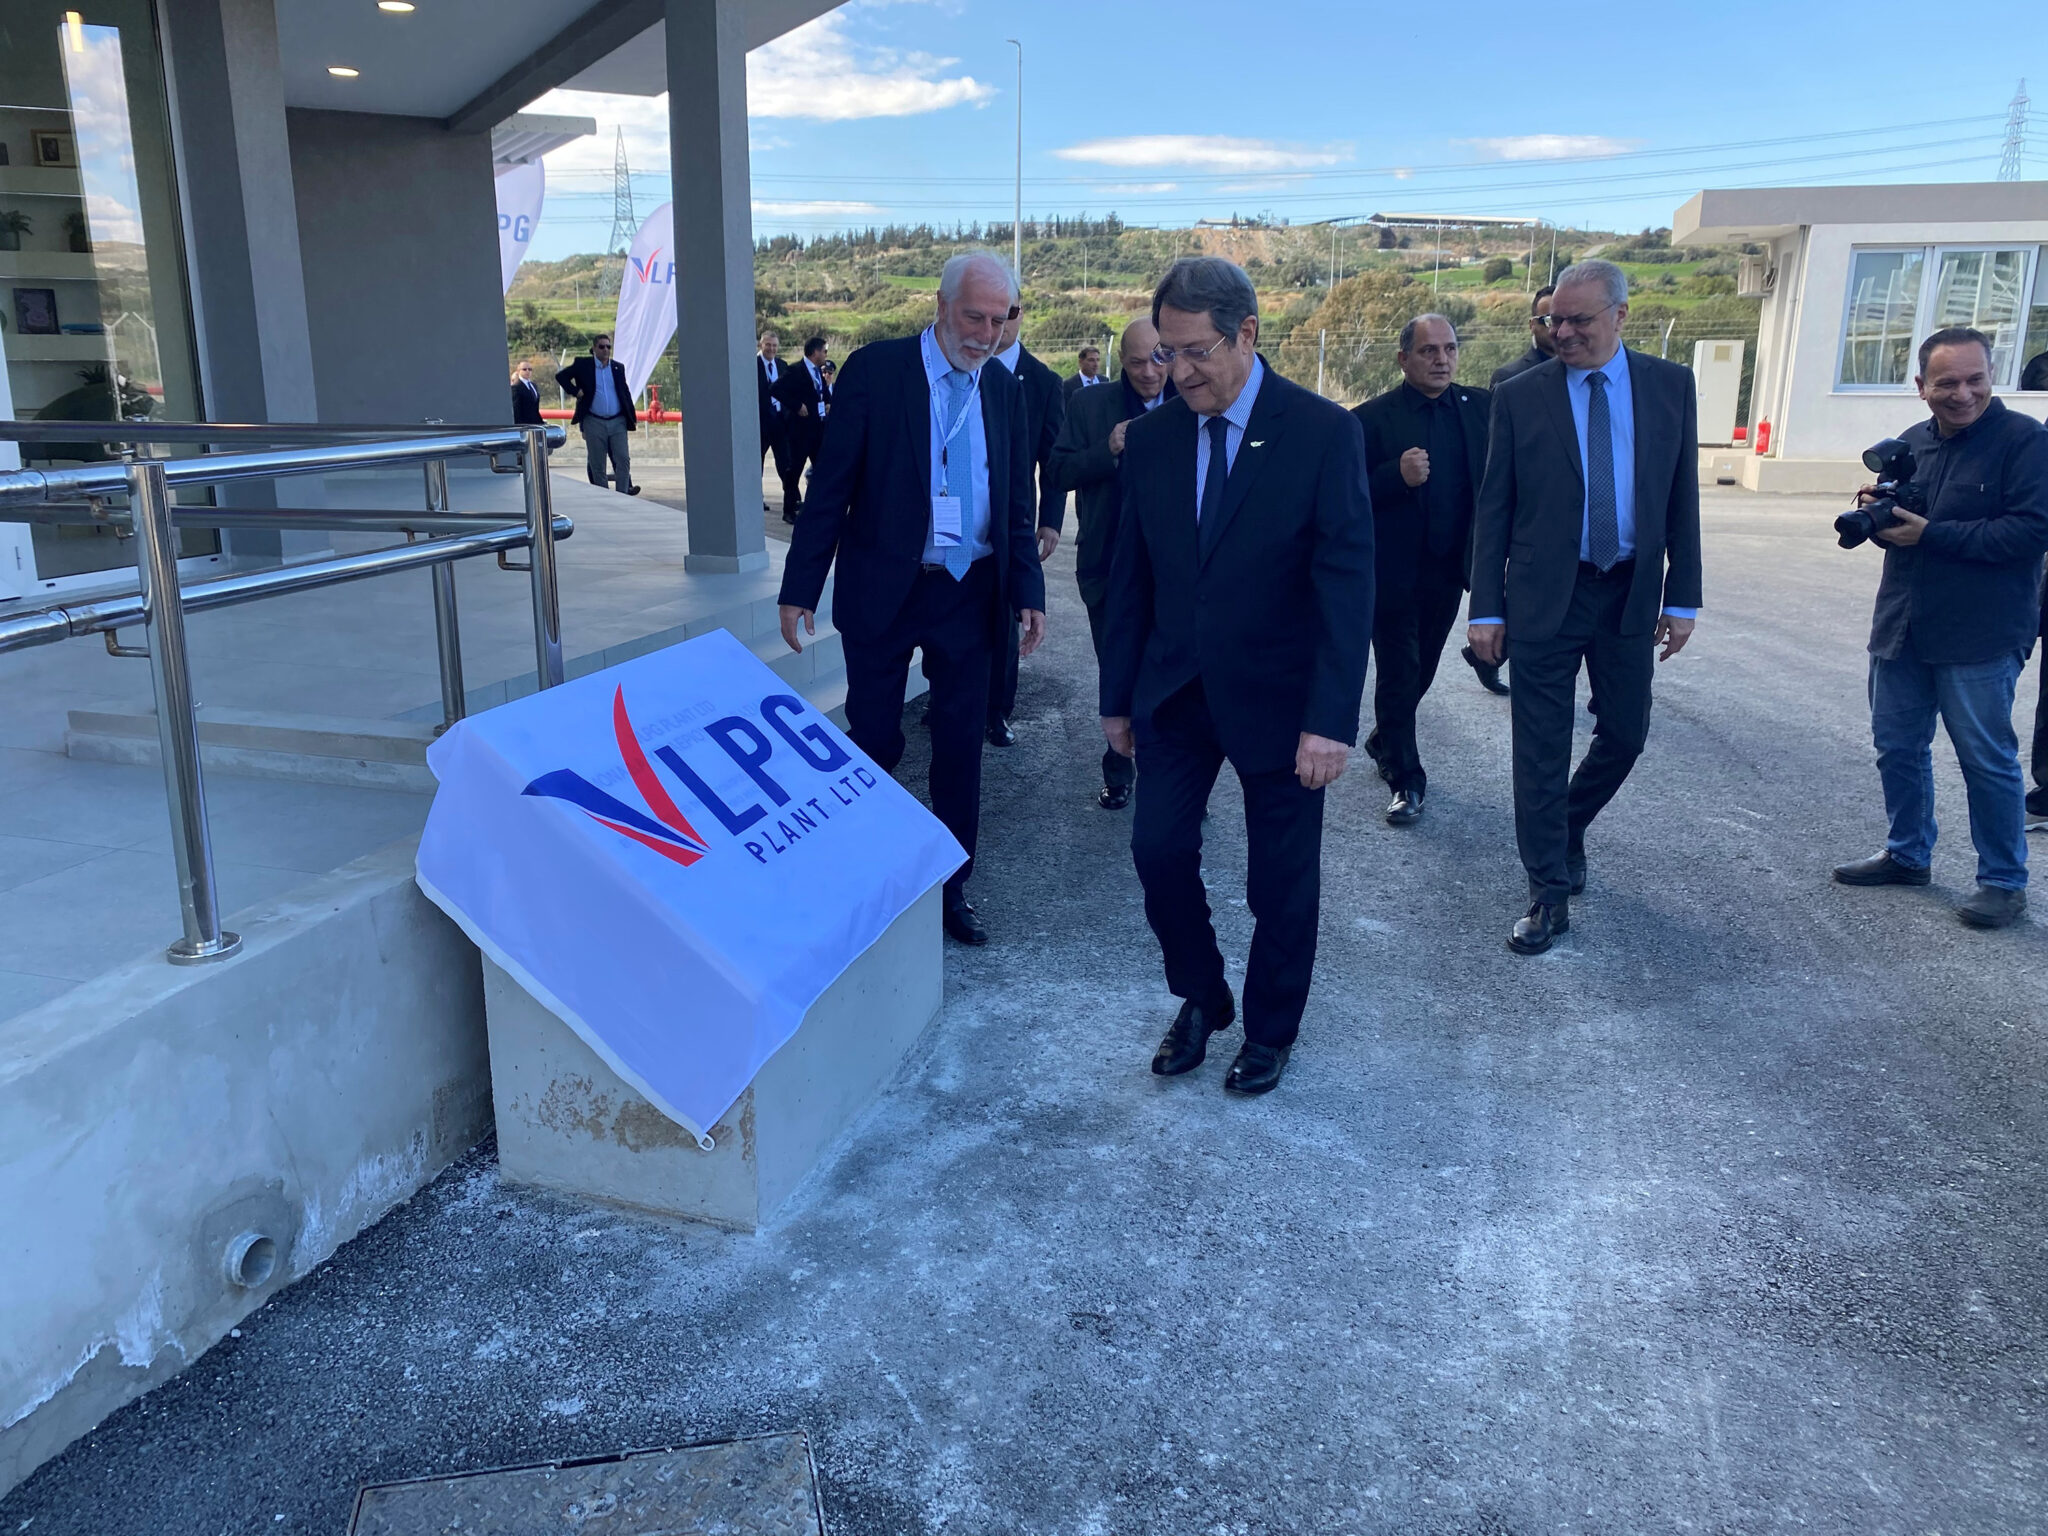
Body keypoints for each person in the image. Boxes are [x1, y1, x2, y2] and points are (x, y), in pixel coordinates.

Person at [1099, 256, 1374, 1097]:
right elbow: (1129, 579)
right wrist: (1117, 699)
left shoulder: (1322, 433)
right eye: (1166, 353)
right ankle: (1203, 995)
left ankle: (1270, 1029)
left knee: (1279, 884)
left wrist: (1331, 719)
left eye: (1196, 352)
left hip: (1283, 703)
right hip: (1175, 694)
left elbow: (1346, 584)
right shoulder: (1153, 440)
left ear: (1247, 334)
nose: (1177, 372)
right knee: (1157, 851)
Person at [778, 252, 1046, 947]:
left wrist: (1028, 589)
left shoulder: (1003, 388)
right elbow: (831, 486)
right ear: (941, 305)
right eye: (974, 317)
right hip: (886, 589)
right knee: (874, 739)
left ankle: (951, 885)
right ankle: (865, 874)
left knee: (960, 747)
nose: (986, 334)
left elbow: (1015, 501)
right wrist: (800, 586)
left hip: (970, 592)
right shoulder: (877, 371)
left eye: (1000, 320)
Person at [1468, 258, 1702, 955]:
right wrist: (1486, 608)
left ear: (1620, 315)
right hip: (1546, 593)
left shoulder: (1670, 385)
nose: (1562, 332)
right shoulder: (1519, 394)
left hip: (1628, 590)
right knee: (1540, 746)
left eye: (1578, 320)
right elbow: (1494, 506)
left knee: (1625, 734)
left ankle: (1565, 823)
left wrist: (1683, 596)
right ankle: (1547, 889)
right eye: (1553, 320)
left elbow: (1681, 495)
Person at [1831, 326, 2048, 928]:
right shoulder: (1910, 443)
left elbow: (2032, 531)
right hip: (1902, 622)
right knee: (1897, 747)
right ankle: (1907, 855)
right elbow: (1903, 525)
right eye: (1947, 382)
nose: (1963, 393)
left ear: (1992, 376)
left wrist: (1932, 534)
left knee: (1986, 759)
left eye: (1976, 379)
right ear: (1921, 385)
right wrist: (1880, 516)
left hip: (1980, 633)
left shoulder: (2026, 442)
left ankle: (2003, 882)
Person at [1353, 314, 1491, 825]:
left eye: (1449, 349)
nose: (1441, 360)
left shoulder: (1481, 409)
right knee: (1399, 671)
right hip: (1391, 574)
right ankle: (1406, 779)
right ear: (1403, 358)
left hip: (1449, 571)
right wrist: (1395, 476)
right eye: (1429, 350)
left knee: (1424, 668)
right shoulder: (1371, 419)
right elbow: (1346, 494)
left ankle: (1384, 737)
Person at [1048, 318, 1172, 810]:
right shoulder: (1089, 405)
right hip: (1107, 565)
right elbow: (1057, 471)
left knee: (1171, 674)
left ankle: (1174, 774)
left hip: (1174, 570)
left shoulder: (1192, 399)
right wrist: (1108, 449)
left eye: (1159, 359)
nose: (1149, 372)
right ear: (1120, 361)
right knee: (1119, 668)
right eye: (1137, 362)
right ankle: (1119, 770)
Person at [985, 304, 1066, 748]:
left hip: (1010, 523)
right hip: (958, 519)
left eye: (1008, 312)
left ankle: (997, 710)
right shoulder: (960, 364)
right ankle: (946, 698)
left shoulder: (1042, 381)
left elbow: (1052, 460)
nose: (998, 323)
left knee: (1005, 617)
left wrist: (1050, 521)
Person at [554, 335, 639, 495]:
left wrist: (632, 416)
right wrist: (575, 391)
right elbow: (561, 376)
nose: (605, 350)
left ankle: (622, 495)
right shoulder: (583, 365)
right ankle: (604, 496)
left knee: (623, 459)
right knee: (597, 463)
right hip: (594, 421)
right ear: (594, 348)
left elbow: (624, 392)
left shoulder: (617, 367)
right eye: (601, 346)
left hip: (617, 420)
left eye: (608, 346)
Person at [771, 336, 830, 522]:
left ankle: (817, 506)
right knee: (794, 470)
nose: (826, 354)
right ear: (815, 352)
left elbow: (821, 393)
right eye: (824, 351)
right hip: (800, 431)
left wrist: (828, 403)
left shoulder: (818, 371)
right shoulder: (796, 370)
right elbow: (776, 389)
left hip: (818, 429)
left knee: (822, 470)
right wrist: (797, 406)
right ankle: (789, 509)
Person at [757, 330, 796, 515]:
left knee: (786, 463)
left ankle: (792, 501)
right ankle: (756, 498)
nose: (771, 349)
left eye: (774, 345)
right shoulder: (751, 365)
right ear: (761, 345)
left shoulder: (782, 365)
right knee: (756, 464)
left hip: (780, 422)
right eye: (768, 345)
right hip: (760, 423)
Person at [1490, 284, 1556, 388]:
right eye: (1550, 320)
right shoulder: (1508, 378)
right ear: (1532, 325)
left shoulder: (1582, 372)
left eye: (1568, 320)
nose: (1560, 328)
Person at [510, 360, 543, 426]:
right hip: (524, 424)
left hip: (536, 423)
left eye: (530, 369)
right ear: (518, 371)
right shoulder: (516, 387)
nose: (528, 371)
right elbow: (516, 409)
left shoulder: (533, 385)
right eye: (524, 369)